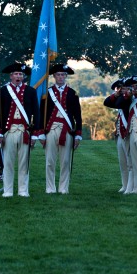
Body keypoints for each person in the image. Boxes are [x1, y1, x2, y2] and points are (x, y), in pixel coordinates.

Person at [0, 62, 40, 198]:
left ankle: (23, 190)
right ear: (11, 76)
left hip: (25, 131)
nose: (18, 76)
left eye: (20, 74)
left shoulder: (31, 91)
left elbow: (36, 113)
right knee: (8, 162)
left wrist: (35, 134)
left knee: (24, 163)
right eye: (16, 74)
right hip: (9, 131)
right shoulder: (3, 90)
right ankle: (7, 191)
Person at [39, 63, 82, 194]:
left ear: (66, 76)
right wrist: (41, 133)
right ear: (54, 76)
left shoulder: (72, 94)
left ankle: (64, 188)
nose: (61, 77)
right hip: (51, 129)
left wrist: (78, 134)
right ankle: (50, 188)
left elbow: (77, 116)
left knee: (65, 161)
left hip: (67, 130)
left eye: (63, 75)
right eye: (58, 75)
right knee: (50, 161)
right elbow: (41, 114)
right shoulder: (47, 93)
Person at [103, 78, 134, 193]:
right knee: (122, 162)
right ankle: (125, 185)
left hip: (128, 132)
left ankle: (131, 186)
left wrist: (122, 95)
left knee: (130, 162)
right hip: (120, 133)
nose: (122, 91)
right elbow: (106, 102)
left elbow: (119, 104)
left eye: (124, 88)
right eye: (120, 89)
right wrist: (116, 94)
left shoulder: (128, 99)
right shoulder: (121, 98)